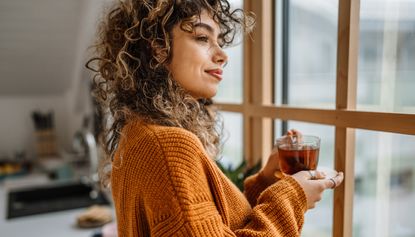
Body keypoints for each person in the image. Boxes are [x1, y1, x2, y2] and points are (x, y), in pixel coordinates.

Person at [87, 0, 344, 236]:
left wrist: (265, 180)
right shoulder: (167, 147)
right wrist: (292, 198)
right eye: (202, 37)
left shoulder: (141, 133)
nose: (223, 54)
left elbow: (211, 225)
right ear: (158, 49)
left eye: (219, 40)